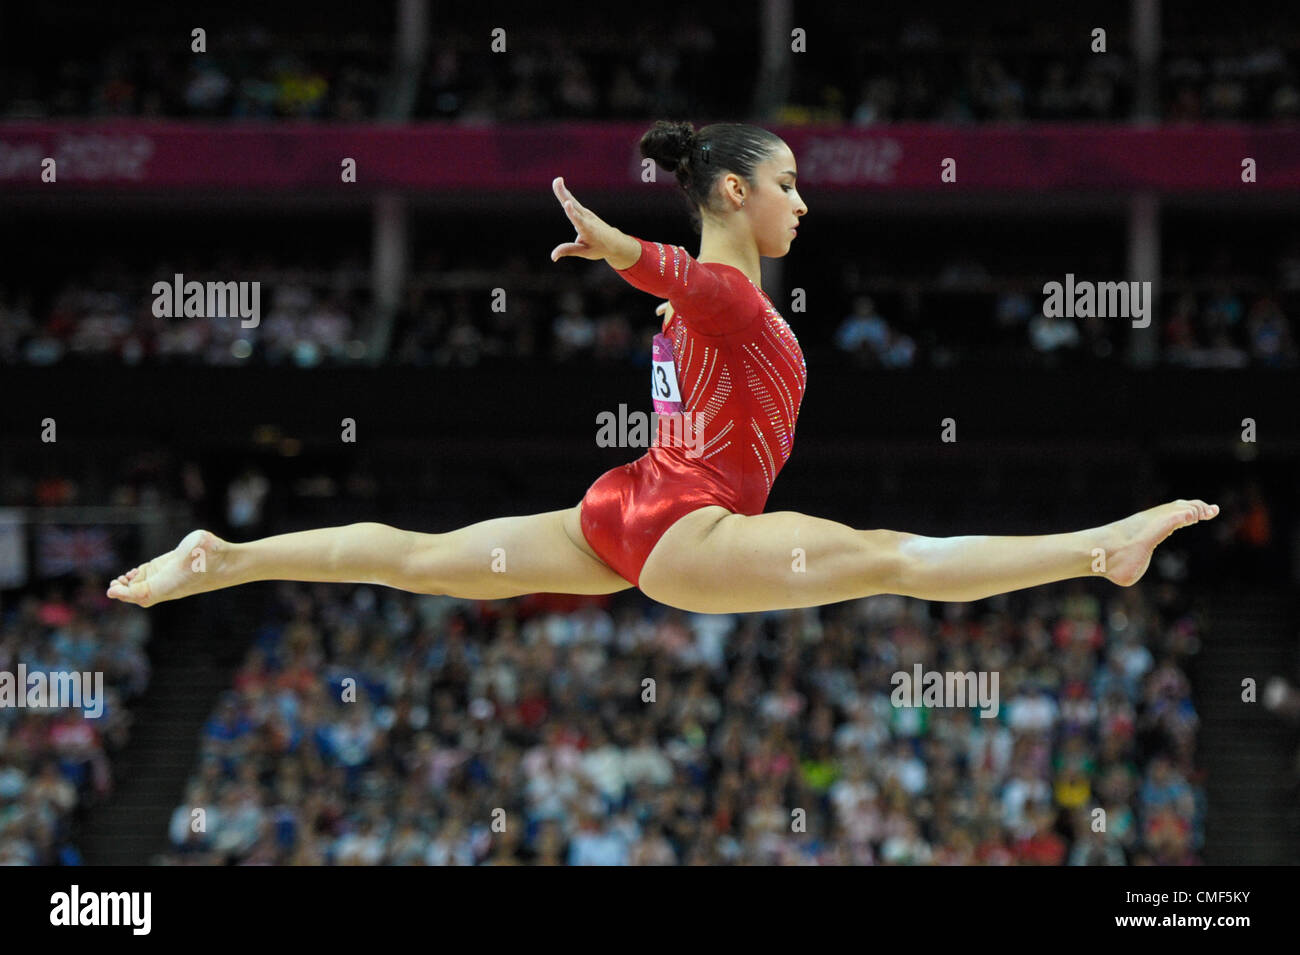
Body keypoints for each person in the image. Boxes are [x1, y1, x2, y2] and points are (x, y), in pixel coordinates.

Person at [107, 120, 1218, 615]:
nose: (801, 200)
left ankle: (229, 557)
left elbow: (687, 300)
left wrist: (643, 261)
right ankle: (1097, 549)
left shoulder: (727, 308)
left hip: (622, 510)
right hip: (688, 529)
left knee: (412, 559)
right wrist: (625, 251)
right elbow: (689, 281)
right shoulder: (729, 295)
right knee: (892, 560)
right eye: (785, 183)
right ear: (732, 190)